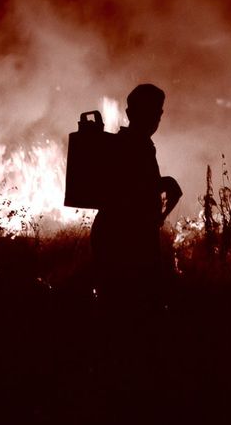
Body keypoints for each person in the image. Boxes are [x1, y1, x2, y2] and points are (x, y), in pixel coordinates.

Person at [90, 84, 182, 316]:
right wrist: (164, 184)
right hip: (124, 238)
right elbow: (128, 190)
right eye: (151, 111)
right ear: (132, 114)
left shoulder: (136, 145)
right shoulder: (131, 147)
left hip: (124, 235)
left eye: (158, 111)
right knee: (129, 309)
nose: (157, 117)